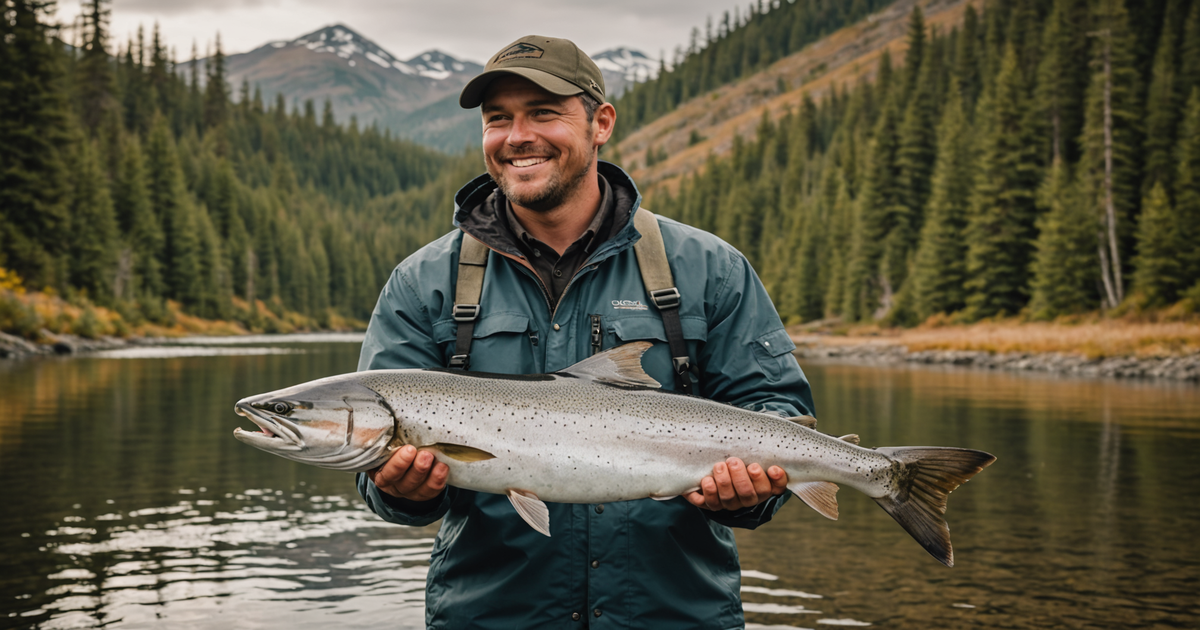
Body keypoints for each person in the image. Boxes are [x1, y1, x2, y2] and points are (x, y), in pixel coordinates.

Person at [356, 34, 814, 629]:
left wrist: (756, 492)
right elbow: (384, 492)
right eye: (499, 119)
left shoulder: (709, 267)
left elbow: (777, 409)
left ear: (601, 123)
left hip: (675, 616)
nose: (518, 136)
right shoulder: (424, 282)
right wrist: (401, 490)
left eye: (544, 113)